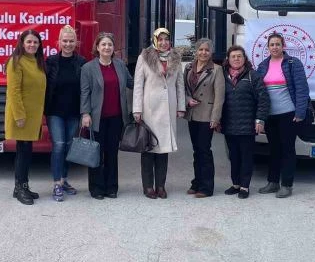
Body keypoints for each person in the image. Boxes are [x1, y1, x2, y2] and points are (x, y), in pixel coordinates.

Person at [255, 32, 310, 198]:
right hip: (270, 116)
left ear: (283, 46)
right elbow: (259, 92)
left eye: (278, 44)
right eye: (272, 45)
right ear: (268, 47)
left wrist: (300, 112)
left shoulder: (293, 63)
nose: (275, 47)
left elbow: (302, 89)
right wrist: (259, 116)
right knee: (273, 149)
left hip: (288, 114)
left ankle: (287, 185)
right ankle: (273, 182)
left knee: (287, 149)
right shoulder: (263, 66)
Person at [133, 27, 185, 199]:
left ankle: (161, 186)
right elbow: (138, 85)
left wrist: (181, 106)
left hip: (168, 109)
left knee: (164, 149)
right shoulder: (144, 57)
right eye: (160, 39)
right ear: (155, 40)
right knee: (149, 148)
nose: (163, 43)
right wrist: (137, 109)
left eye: (166, 39)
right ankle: (148, 186)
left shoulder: (175, 58)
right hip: (150, 109)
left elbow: (179, 84)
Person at [80, 32, 133, 199]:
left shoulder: (120, 65)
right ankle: (96, 188)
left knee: (112, 153)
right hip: (96, 118)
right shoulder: (88, 68)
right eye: (103, 44)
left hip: (116, 117)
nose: (107, 47)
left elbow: (132, 83)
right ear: (97, 47)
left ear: (113, 48)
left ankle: (111, 187)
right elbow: (85, 93)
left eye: (110, 44)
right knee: (96, 153)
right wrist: (85, 113)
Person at [220, 46, 269, 199]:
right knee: (234, 157)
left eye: (239, 56)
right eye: (233, 56)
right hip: (229, 125)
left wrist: (260, 119)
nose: (236, 59)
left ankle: (244, 186)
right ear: (228, 59)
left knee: (246, 157)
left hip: (247, 126)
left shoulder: (253, 76)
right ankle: (235, 184)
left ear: (244, 59)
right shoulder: (223, 76)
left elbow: (263, 99)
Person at [4, 29, 47, 205]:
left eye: (35, 42)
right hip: (22, 116)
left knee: (27, 152)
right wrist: (19, 116)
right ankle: (20, 188)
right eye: (29, 41)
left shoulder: (37, 61)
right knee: (22, 152)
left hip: (33, 116)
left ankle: (23, 186)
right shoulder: (16, 62)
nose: (32, 45)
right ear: (22, 43)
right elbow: (13, 91)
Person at [44, 25, 86, 202]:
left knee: (68, 146)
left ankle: (64, 179)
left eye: (71, 41)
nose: (68, 44)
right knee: (59, 145)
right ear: (59, 42)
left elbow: (85, 89)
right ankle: (57, 184)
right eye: (65, 41)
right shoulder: (51, 62)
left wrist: (85, 112)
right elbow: (43, 85)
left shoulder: (82, 62)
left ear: (76, 43)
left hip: (74, 112)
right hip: (54, 111)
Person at [183, 38, 224, 198]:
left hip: (207, 116)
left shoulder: (216, 70)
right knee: (196, 150)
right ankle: (197, 182)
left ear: (211, 52)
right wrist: (187, 100)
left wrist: (216, 118)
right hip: (193, 114)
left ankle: (206, 187)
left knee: (204, 150)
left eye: (207, 50)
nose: (203, 52)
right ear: (196, 51)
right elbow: (183, 89)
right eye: (201, 49)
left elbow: (219, 96)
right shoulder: (188, 67)